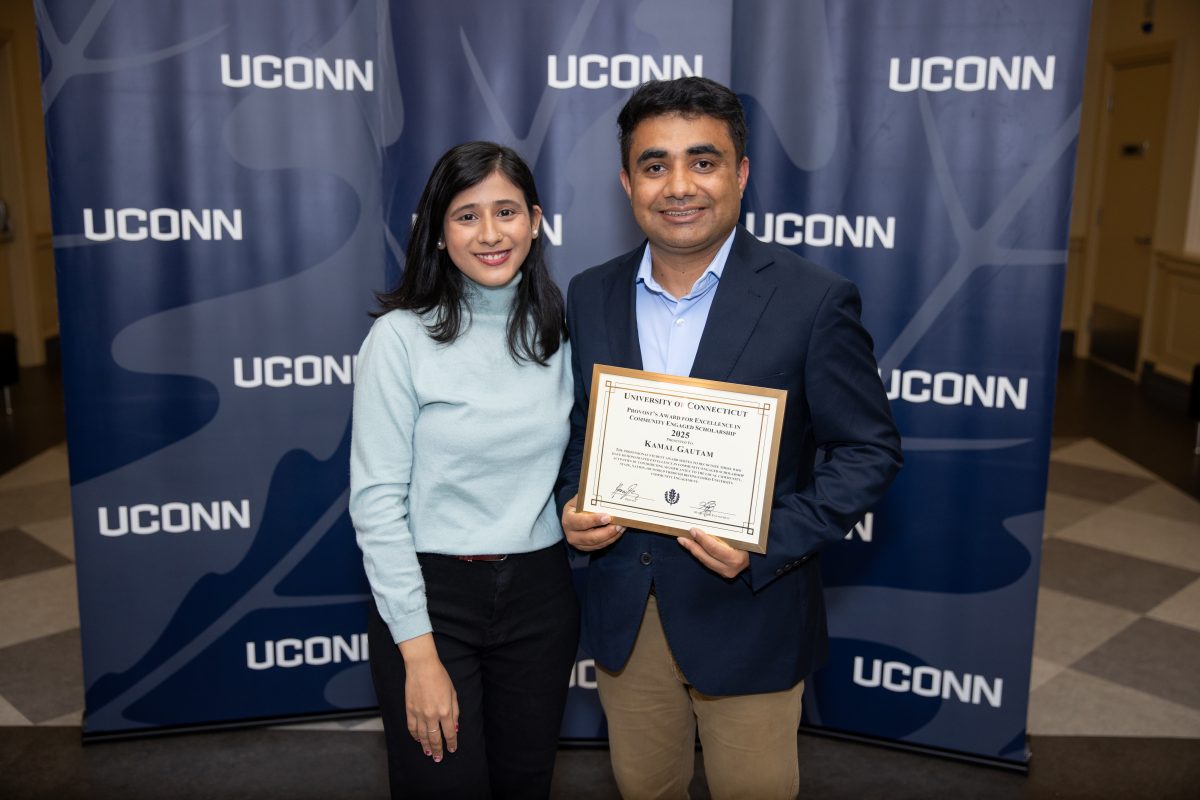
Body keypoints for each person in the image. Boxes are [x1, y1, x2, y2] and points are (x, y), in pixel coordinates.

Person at [557, 77, 903, 799]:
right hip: (628, 610)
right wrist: (571, 503)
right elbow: (578, 429)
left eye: (703, 161)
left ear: (740, 173)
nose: (678, 185)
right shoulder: (589, 293)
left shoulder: (813, 299)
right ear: (628, 182)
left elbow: (868, 449)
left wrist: (767, 536)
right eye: (655, 165)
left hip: (751, 612)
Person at [350, 141, 579, 799]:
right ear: (438, 233)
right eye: (466, 215)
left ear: (535, 223)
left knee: (524, 783)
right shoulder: (399, 339)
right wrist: (417, 655)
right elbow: (376, 502)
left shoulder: (559, 329)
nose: (489, 233)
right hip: (432, 601)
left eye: (506, 212)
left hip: (540, 595)